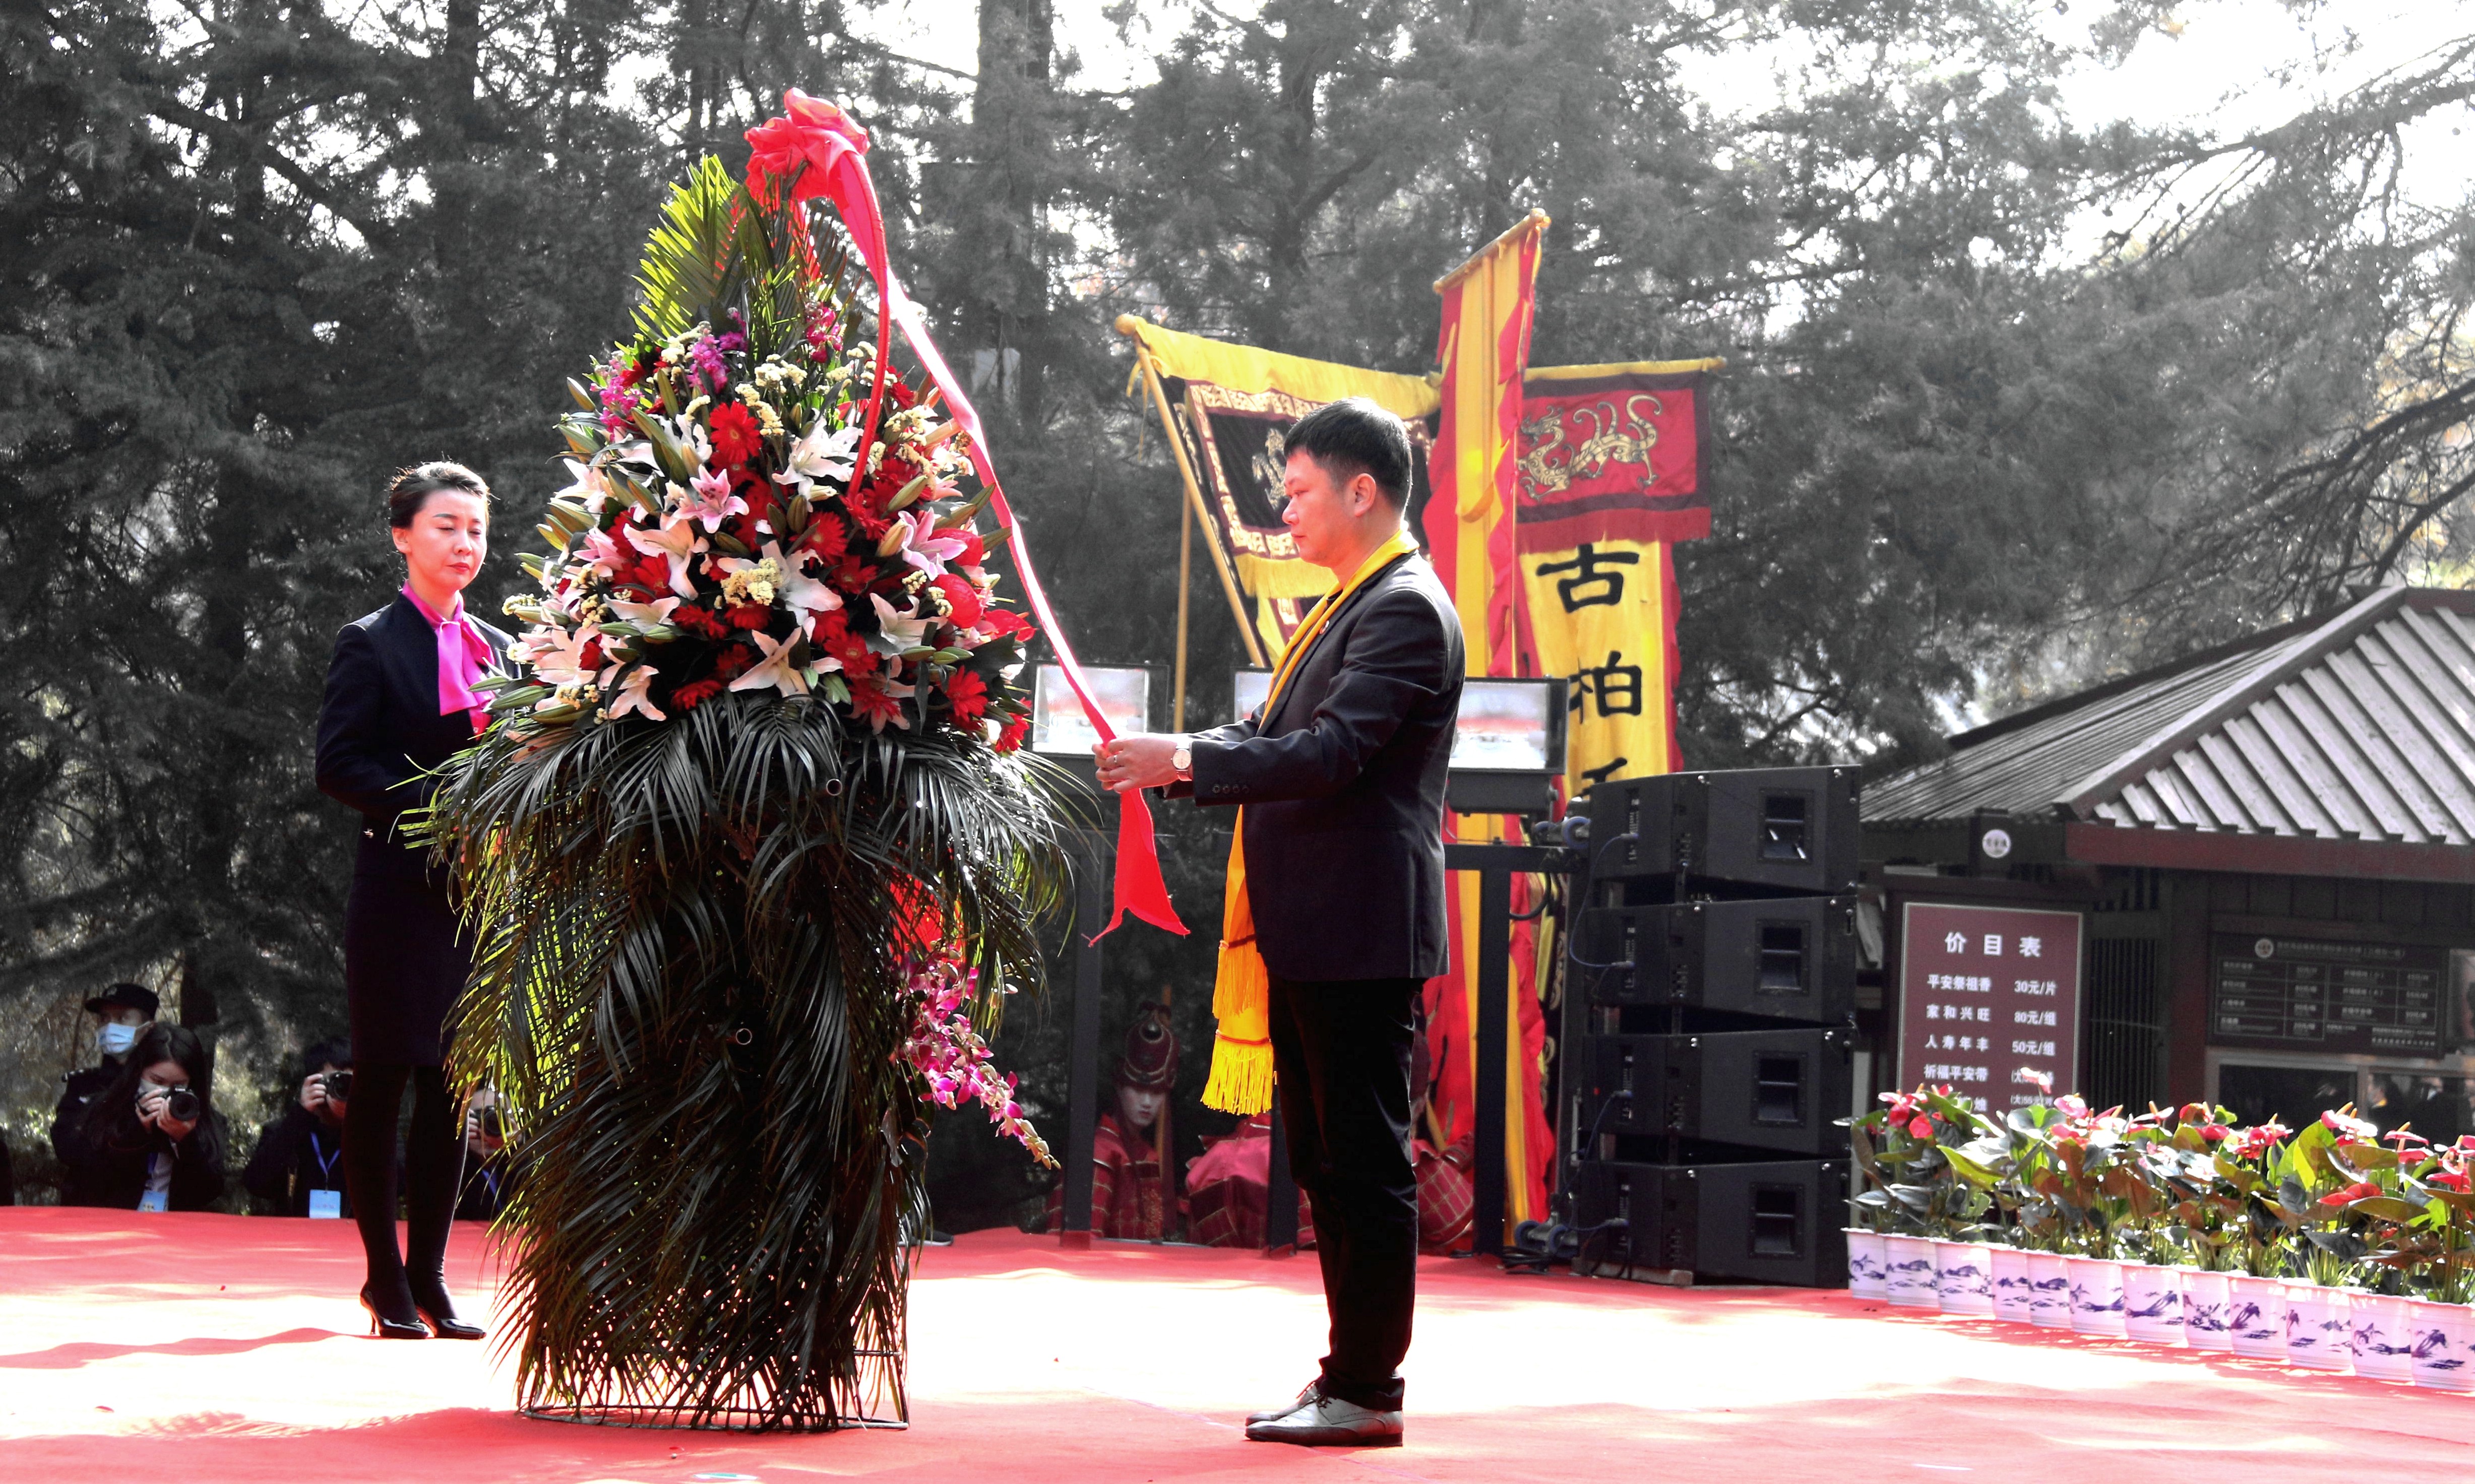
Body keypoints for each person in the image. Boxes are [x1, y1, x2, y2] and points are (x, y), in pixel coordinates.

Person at [1097, 396, 1464, 1448]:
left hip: (1359, 927)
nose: (1286, 513)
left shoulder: (1400, 608)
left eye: (1298, 491)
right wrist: (1169, 756)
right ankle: (1347, 1377)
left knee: (1363, 1161)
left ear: (1362, 489)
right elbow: (1266, 732)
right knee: (1329, 1163)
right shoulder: (1347, 604)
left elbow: (1332, 752)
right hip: (1320, 927)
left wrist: (1186, 759)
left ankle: (1366, 1389)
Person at [316, 461, 509, 1341]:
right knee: (388, 1077)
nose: (464, 542)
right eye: (445, 526)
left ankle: (431, 1277)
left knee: (450, 1088)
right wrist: (440, 805)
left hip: (471, 894)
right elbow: (340, 764)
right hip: (395, 889)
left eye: (475, 528)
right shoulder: (370, 641)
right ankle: (382, 1278)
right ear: (402, 534)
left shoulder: (499, 651)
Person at [1044, 1001, 1183, 1240]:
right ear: (1119, 1086)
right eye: (1138, 1090)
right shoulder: (1101, 1153)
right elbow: (1081, 1242)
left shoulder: (1145, 1152)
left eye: (1157, 1092)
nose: (1148, 1102)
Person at [59, 1021, 228, 1211]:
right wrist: (136, 1133)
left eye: (178, 1085)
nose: (165, 1091)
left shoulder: (209, 1123)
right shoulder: (105, 1111)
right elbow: (89, 1180)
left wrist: (186, 1141)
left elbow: (208, 1192)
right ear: (139, 1072)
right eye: (157, 1081)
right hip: (112, 1229)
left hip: (176, 1233)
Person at [49, 982, 160, 1177]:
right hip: (88, 1203)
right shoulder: (83, 1085)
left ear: (148, 1028)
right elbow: (67, 1148)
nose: (110, 1027)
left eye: (122, 1018)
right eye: (104, 1018)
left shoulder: (163, 1083)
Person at [242, 1039, 355, 1218]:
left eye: (349, 1083)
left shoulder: (369, 1135)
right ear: (311, 1084)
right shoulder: (286, 1130)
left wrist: (363, 1121)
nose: (342, 1089)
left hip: (352, 1239)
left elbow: (400, 1185)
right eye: (335, 1081)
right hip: (294, 1237)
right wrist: (300, 1116)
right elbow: (256, 1183)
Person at [454, 1084, 515, 1222]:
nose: (490, 1123)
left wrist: (518, 1150)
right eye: (479, 1115)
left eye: (500, 1117)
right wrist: (457, 1145)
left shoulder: (528, 1163)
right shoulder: (450, 1166)